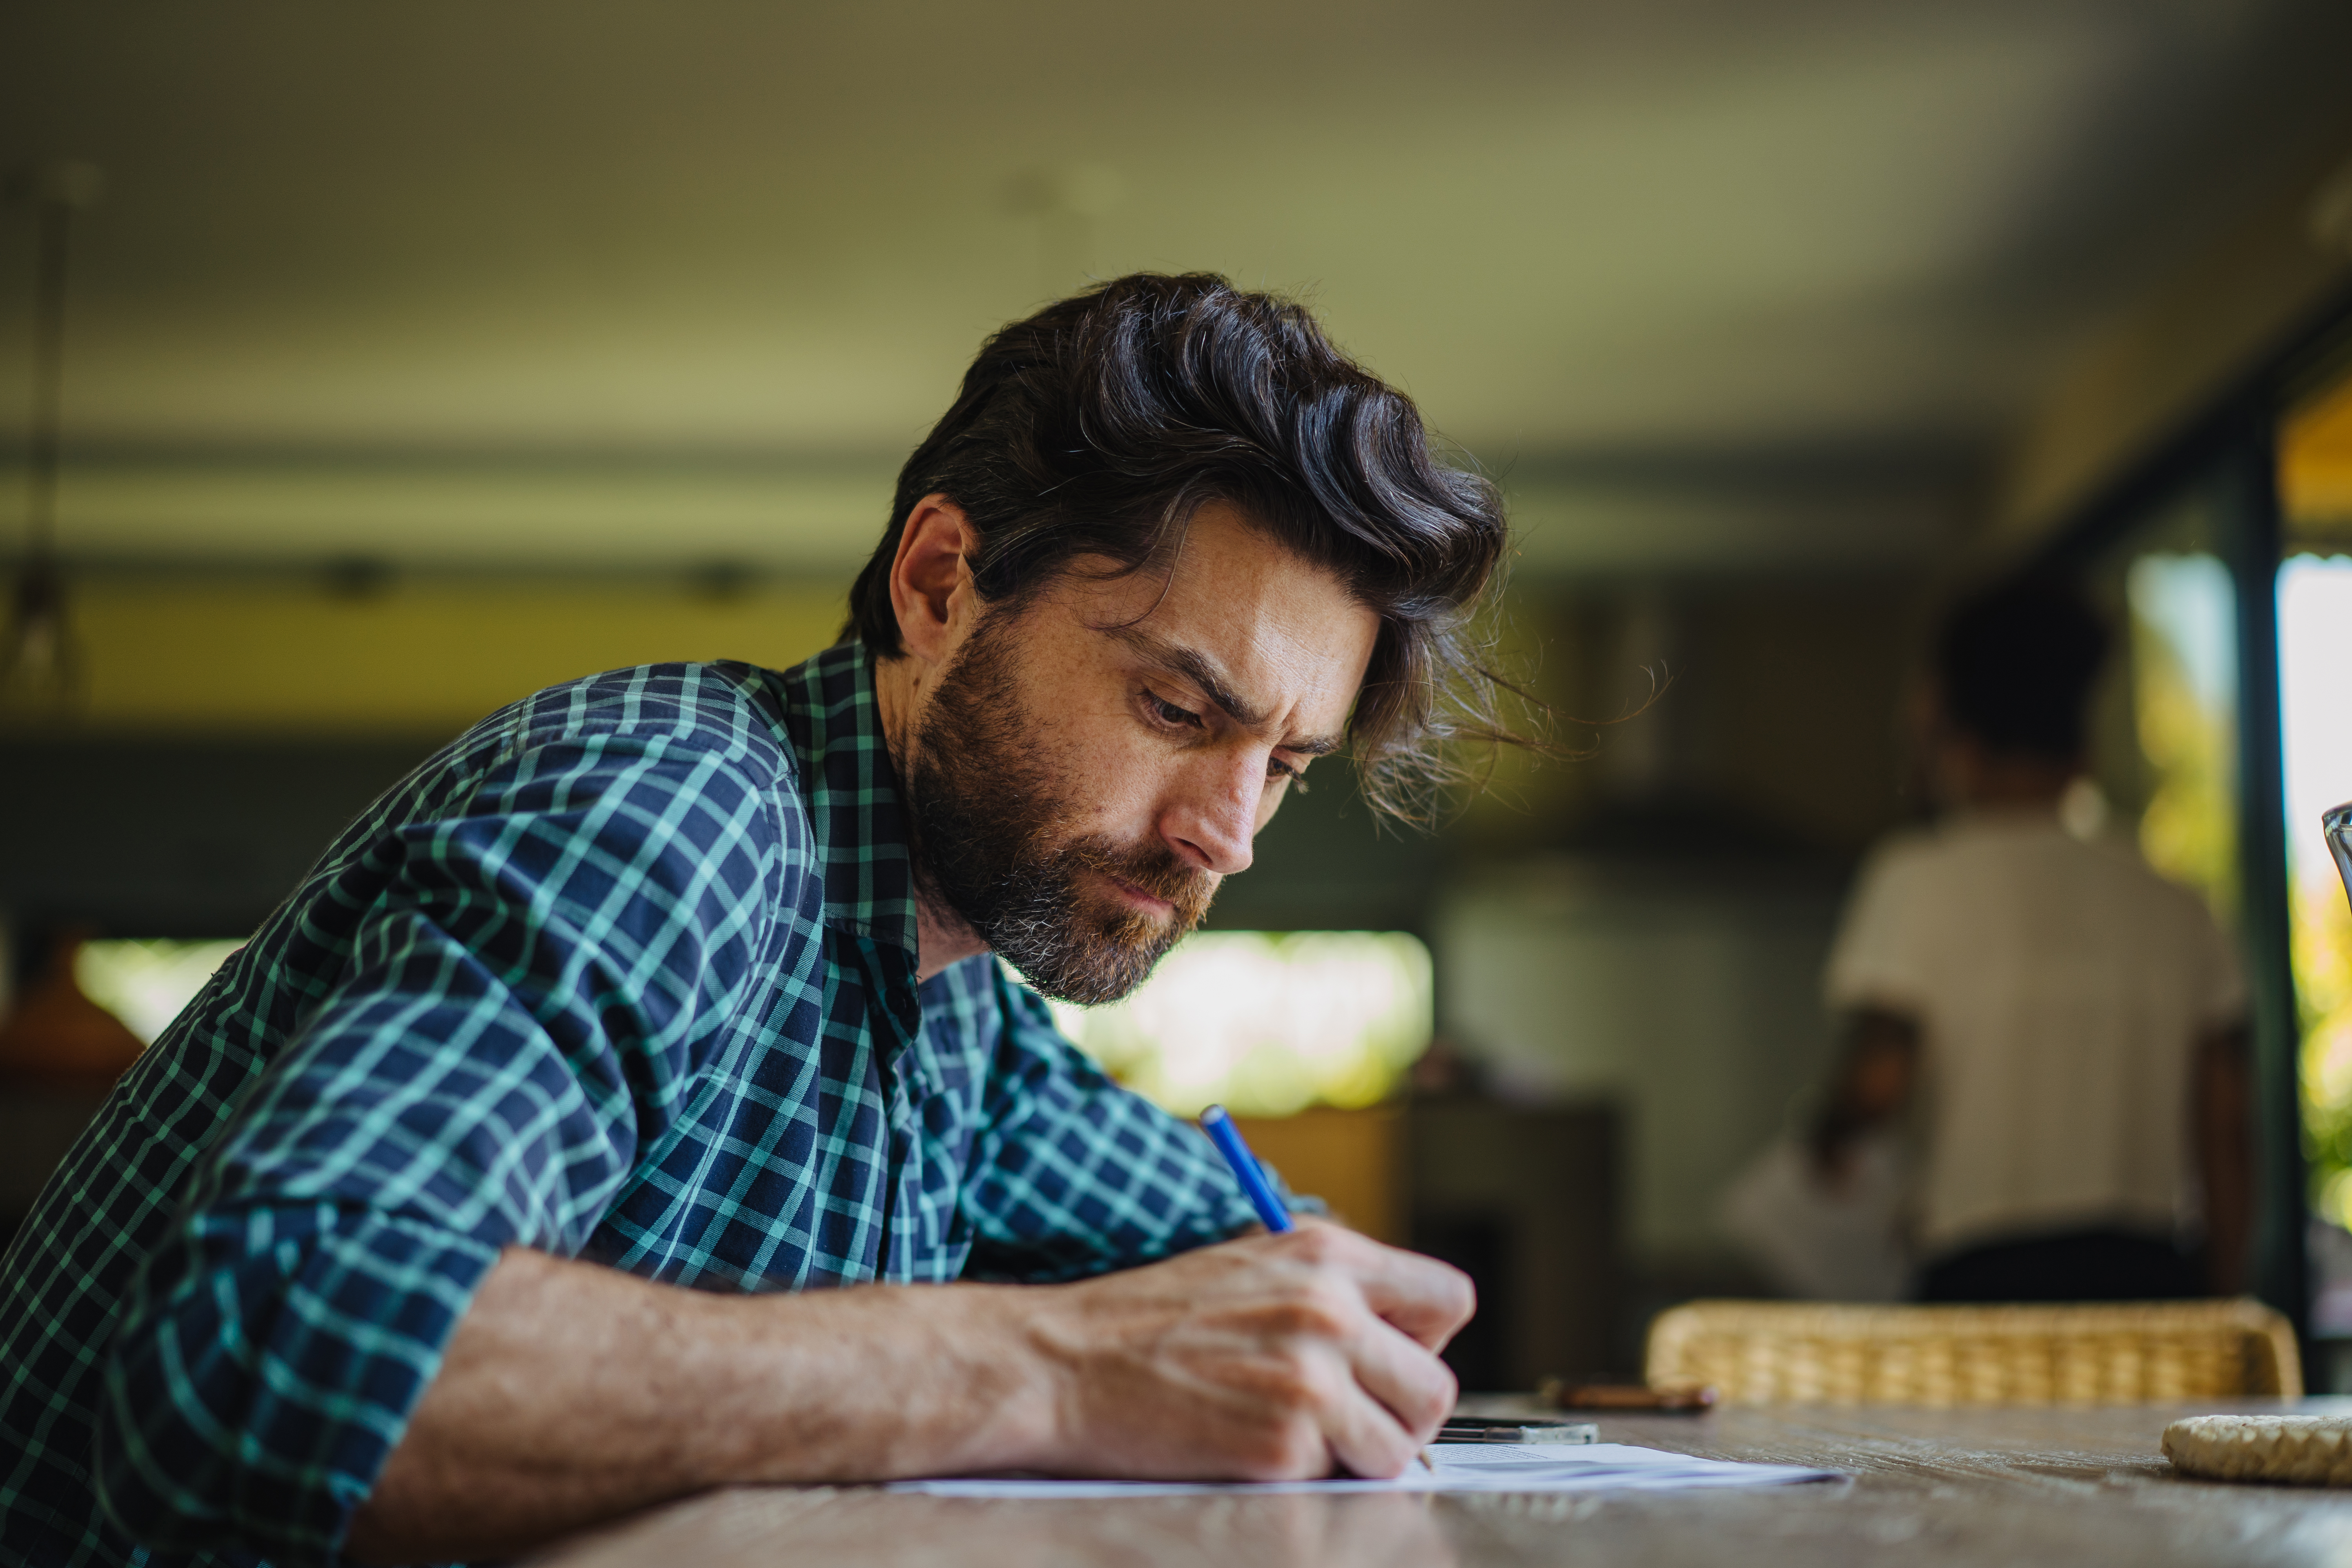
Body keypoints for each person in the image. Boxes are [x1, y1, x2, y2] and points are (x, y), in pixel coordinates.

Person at [0, 275, 1514, 1567]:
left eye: (1287, 771)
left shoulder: (958, 998)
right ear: (940, 584)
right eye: (1180, 707)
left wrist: (1321, 1311)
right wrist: (1047, 1368)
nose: (1229, 836)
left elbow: (1237, 1263)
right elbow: (275, 1350)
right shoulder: (682, 814)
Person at [1809, 577, 2251, 1303]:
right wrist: (2225, 1296)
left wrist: (1827, 1135)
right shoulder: (2177, 902)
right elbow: (2227, 1127)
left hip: (1982, 1280)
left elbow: (1877, 1082)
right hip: (2147, 1277)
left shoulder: (1916, 880)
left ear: (1951, 723)